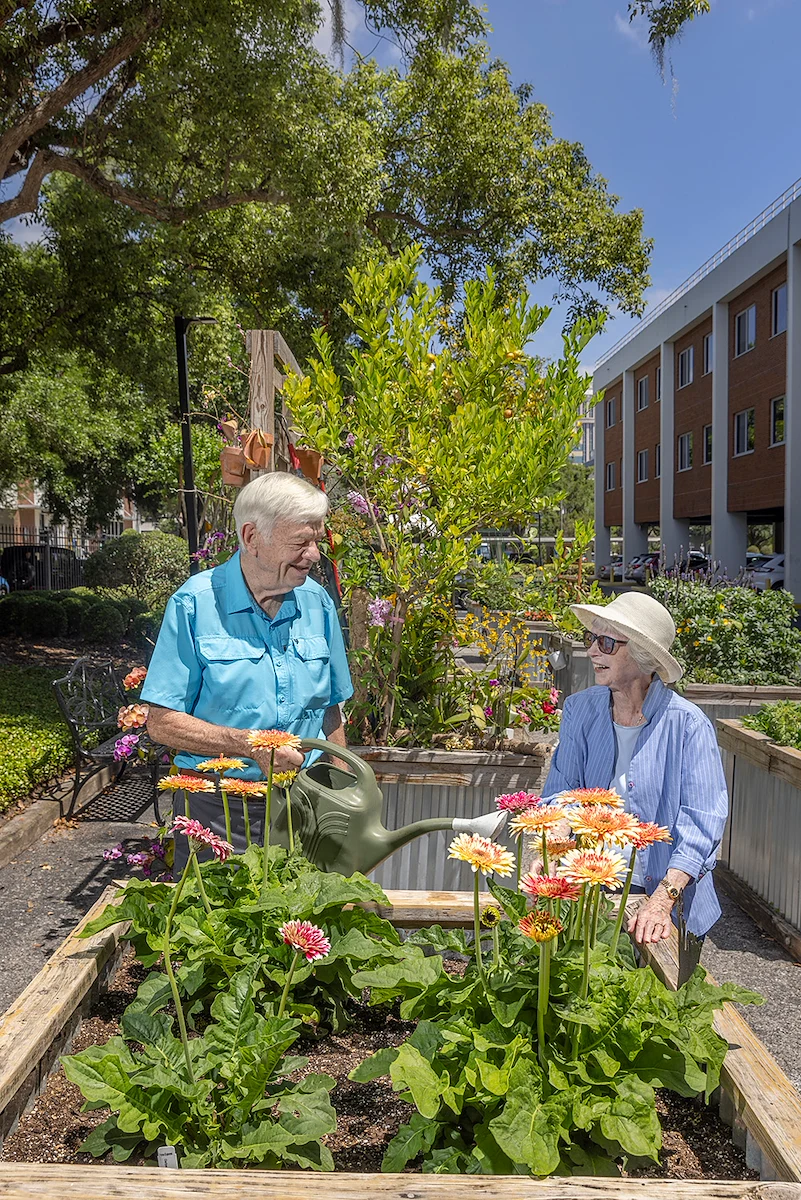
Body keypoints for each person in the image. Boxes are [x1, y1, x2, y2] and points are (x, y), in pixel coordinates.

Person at [143, 472, 353, 863]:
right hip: (217, 809)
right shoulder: (194, 605)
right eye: (300, 543)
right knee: (217, 921)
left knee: (304, 920)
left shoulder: (317, 602)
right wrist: (248, 745)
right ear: (251, 537)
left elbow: (331, 709)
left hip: (304, 804)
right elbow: (162, 722)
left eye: (316, 541)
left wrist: (340, 792)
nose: (314, 555)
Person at [541, 591, 728, 943]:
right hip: (589, 888)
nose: (592, 650)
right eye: (591, 638)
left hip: (664, 898)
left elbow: (702, 824)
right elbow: (560, 792)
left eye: (607, 642)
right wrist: (554, 846)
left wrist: (662, 899)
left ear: (643, 654)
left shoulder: (688, 725)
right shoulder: (581, 710)